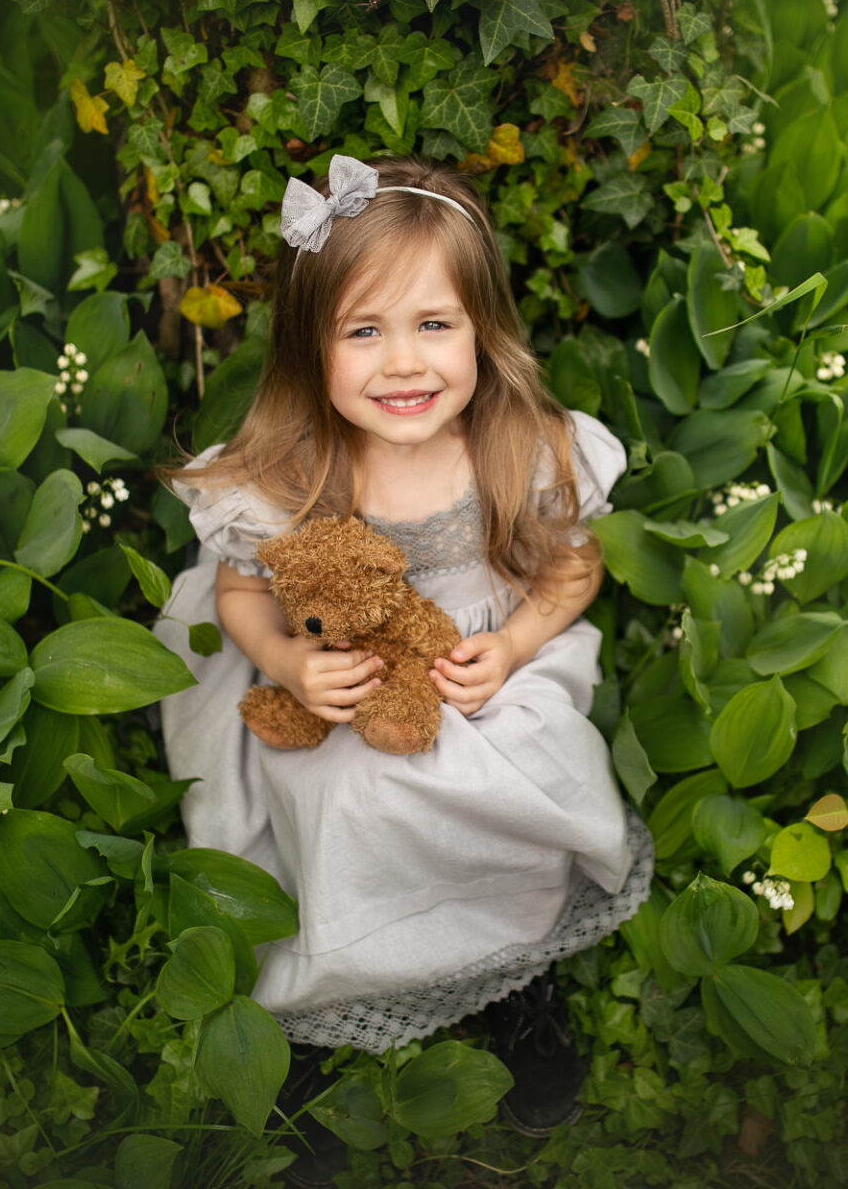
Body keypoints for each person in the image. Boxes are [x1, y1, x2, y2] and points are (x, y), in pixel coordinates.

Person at [152, 154, 652, 1182]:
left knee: (532, 774)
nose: (403, 363)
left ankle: (515, 980)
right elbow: (240, 587)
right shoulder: (298, 466)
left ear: (483, 328)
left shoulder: (517, 447)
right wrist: (289, 661)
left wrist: (512, 645)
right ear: (311, 347)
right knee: (341, 802)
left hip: (479, 664)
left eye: (435, 324)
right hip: (343, 683)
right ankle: (320, 1014)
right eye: (364, 330)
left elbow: (573, 567)